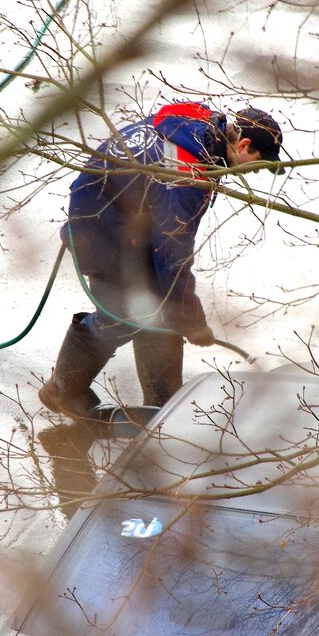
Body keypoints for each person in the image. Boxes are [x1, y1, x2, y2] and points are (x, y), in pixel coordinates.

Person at [39, 101, 284, 418]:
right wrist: (192, 321)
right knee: (123, 311)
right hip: (100, 229)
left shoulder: (200, 127)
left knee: (161, 304)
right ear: (244, 144)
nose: (253, 171)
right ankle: (62, 390)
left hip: (131, 223)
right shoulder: (185, 171)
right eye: (257, 163)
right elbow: (173, 255)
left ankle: (163, 406)